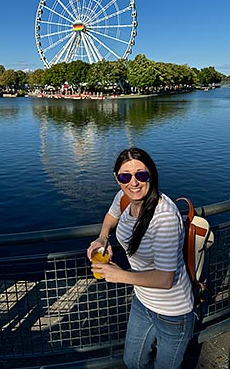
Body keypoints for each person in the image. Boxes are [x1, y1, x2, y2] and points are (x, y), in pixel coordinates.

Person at [87, 147, 194, 369]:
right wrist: (102, 238)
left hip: (173, 312)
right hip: (143, 301)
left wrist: (120, 275)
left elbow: (165, 280)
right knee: (133, 361)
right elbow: (111, 216)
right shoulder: (124, 197)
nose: (133, 182)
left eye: (141, 175)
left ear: (151, 175)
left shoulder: (164, 217)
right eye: (125, 176)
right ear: (117, 178)